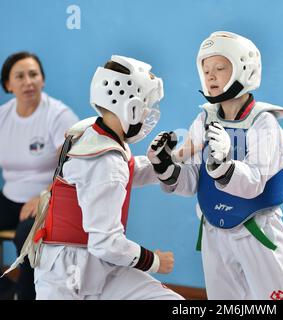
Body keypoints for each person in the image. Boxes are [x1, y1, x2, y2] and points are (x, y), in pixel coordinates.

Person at [13, 55, 183, 300]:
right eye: (145, 106)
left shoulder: (92, 130)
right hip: (67, 274)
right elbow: (106, 242)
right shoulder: (106, 159)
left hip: (100, 266)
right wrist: (155, 261)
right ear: (131, 107)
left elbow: (123, 173)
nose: (147, 114)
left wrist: (168, 160)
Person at [148, 31, 283, 300]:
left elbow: (254, 182)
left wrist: (225, 168)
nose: (211, 76)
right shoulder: (204, 119)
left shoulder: (264, 123)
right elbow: (193, 180)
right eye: (206, 70)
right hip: (214, 232)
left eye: (220, 68)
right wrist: (168, 170)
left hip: (256, 231)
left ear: (244, 70)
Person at [0, 51, 79, 299]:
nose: (28, 81)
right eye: (20, 76)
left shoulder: (57, 114)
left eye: (33, 74)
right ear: (8, 85)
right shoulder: (3, 116)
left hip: (49, 199)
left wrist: (44, 194)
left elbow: (76, 164)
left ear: (42, 80)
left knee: (27, 238)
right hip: (10, 197)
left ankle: (26, 294)